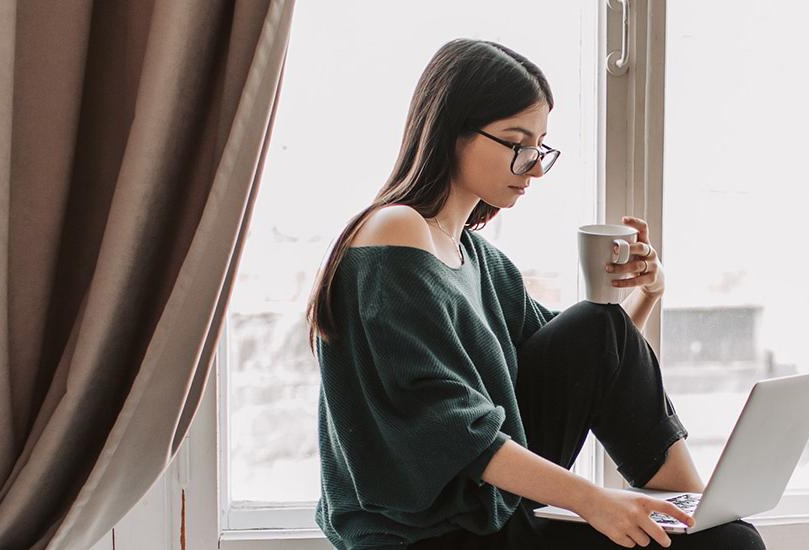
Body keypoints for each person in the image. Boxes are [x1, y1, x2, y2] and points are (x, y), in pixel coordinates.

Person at [306, 39, 768, 550]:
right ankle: (698, 519)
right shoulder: (394, 232)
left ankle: (695, 510)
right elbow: (448, 426)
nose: (536, 167)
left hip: (488, 513)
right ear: (451, 131)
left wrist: (648, 294)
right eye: (517, 143)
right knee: (731, 546)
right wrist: (594, 500)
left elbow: (593, 365)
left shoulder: (482, 262)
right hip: (423, 535)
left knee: (726, 538)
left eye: (541, 145)